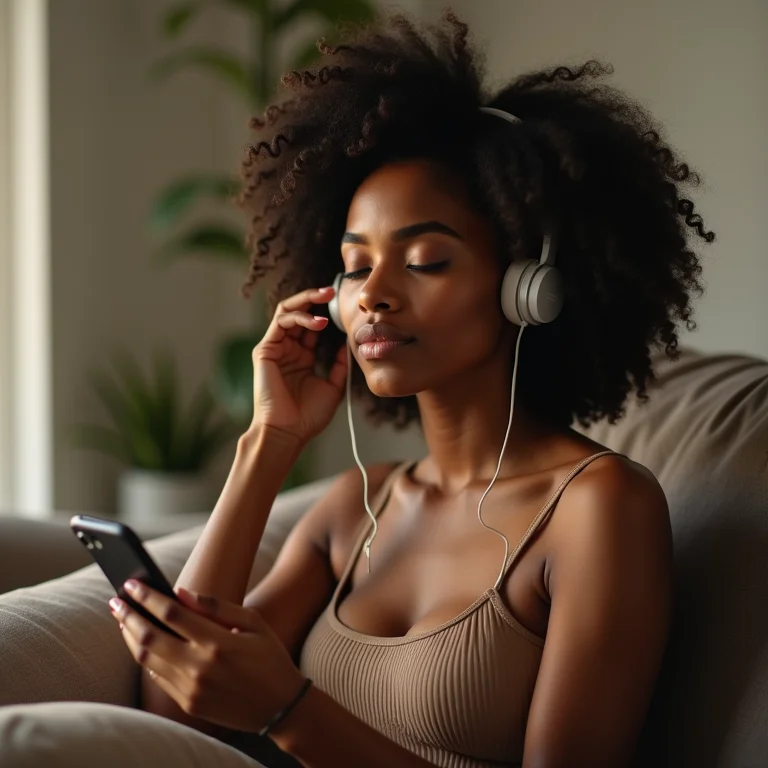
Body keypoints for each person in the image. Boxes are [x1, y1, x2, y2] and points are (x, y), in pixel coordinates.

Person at [109, 8, 715, 767]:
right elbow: (176, 712)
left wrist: (287, 711)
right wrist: (270, 441)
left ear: (528, 289)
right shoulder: (352, 510)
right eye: (355, 267)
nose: (373, 296)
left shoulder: (598, 509)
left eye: (425, 260)